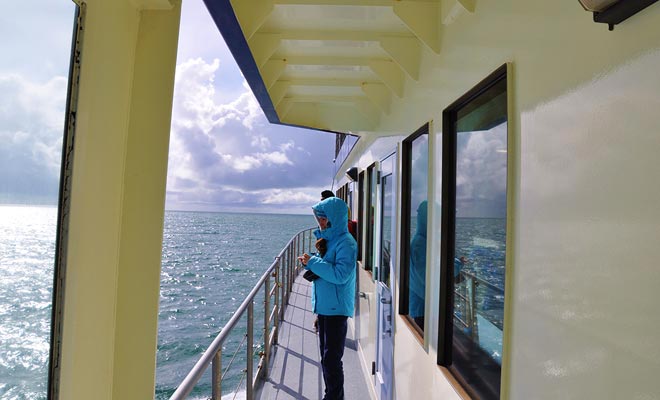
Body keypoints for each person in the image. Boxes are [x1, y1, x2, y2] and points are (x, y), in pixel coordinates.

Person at [298, 197, 357, 400]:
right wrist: (309, 264)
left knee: (331, 360)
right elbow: (327, 268)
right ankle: (331, 396)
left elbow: (340, 275)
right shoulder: (332, 240)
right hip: (326, 307)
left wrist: (313, 262)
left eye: (324, 219)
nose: (321, 223)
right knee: (327, 358)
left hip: (336, 309)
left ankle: (333, 397)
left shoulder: (346, 243)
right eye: (319, 218)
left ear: (335, 218)